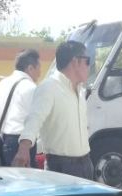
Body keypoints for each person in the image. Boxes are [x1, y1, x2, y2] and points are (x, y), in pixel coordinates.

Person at [13, 41, 92, 179]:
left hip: (85, 164)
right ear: (75, 61)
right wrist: (23, 148)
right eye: (87, 61)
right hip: (61, 168)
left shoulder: (80, 90)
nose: (89, 67)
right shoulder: (49, 87)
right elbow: (34, 119)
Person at [0, 48, 40, 166]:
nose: (39, 73)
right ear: (30, 68)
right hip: (20, 146)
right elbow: (34, 120)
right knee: (24, 183)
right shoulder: (30, 87)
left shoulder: (2, 84)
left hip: (0, 141)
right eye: (39, 68)